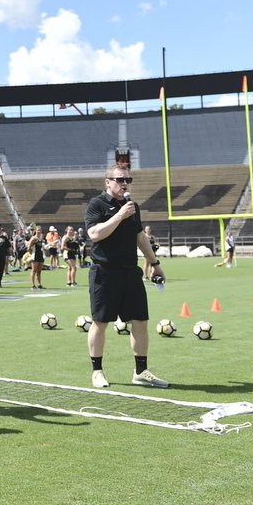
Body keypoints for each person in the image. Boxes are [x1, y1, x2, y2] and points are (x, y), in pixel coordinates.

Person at [84, 165, 167, 389]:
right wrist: (119, 215)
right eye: (119, 179)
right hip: (105, 272)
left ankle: (141, 372)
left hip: (131, 272)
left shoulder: (133, 207)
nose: (124, 183)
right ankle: (97, 371)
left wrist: (155, 264)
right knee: (100, 322)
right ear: (107, 182)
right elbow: (94, 234)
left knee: (140, 321)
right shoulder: (97, 204)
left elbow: (140, 236)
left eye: (127, 179)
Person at [26, 225, 45, 290]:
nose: (39, 231)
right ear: (35, 231)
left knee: (39, 271)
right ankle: (32, 285)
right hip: (35, 256)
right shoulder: (34, 238)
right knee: (34, 271)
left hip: (40, 255)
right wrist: (31, 254)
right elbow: (28, 248)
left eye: (40, 230)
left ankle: (39, 284)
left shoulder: (40, 238)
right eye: (37, 230)